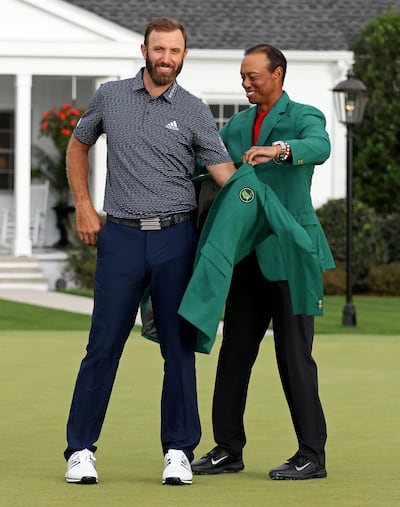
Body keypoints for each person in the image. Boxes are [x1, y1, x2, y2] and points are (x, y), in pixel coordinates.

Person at [63, 17, 236, 487]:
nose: (166, 58)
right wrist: (84, 206)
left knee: (178, 349)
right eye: (158, 49)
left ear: (184, 55)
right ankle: (80, 450)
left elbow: (227, 176)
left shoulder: (197, 111)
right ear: (144, 50)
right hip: (119, 238)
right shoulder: (109, 97)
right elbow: (78, 146)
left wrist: (261, 203)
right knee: (103, 345)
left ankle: (179, 451)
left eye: (174, 51)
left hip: (175, 241)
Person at [191, 44, 335, 480]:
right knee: (234, 352)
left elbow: (321, 146)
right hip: (246, 256)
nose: (245, 83)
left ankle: (312, 454)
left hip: (291, 254)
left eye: (253, 76)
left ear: (278, 75)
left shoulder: (304, 116)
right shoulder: (235, 124)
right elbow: (215, 168)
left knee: (294, 355)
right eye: (242, 75)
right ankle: (226, 449)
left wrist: (279, 150)